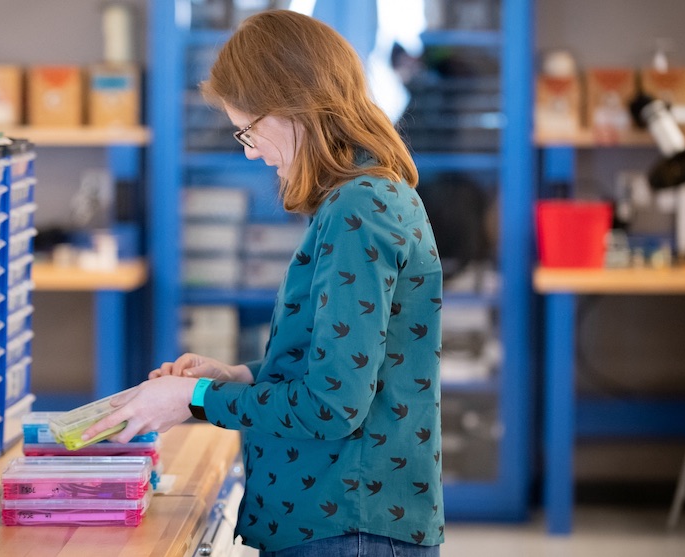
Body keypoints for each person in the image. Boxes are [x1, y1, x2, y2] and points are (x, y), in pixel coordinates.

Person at [81, 9, 443, 556]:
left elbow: (332, 404)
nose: (249, 150)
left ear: (295, 107)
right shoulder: (356, 202)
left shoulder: (360, 210)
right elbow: (345, 365)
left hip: (349, 525)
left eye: (248, 129)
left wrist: (198, 398)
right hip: (339, 518)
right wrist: (238, 376)